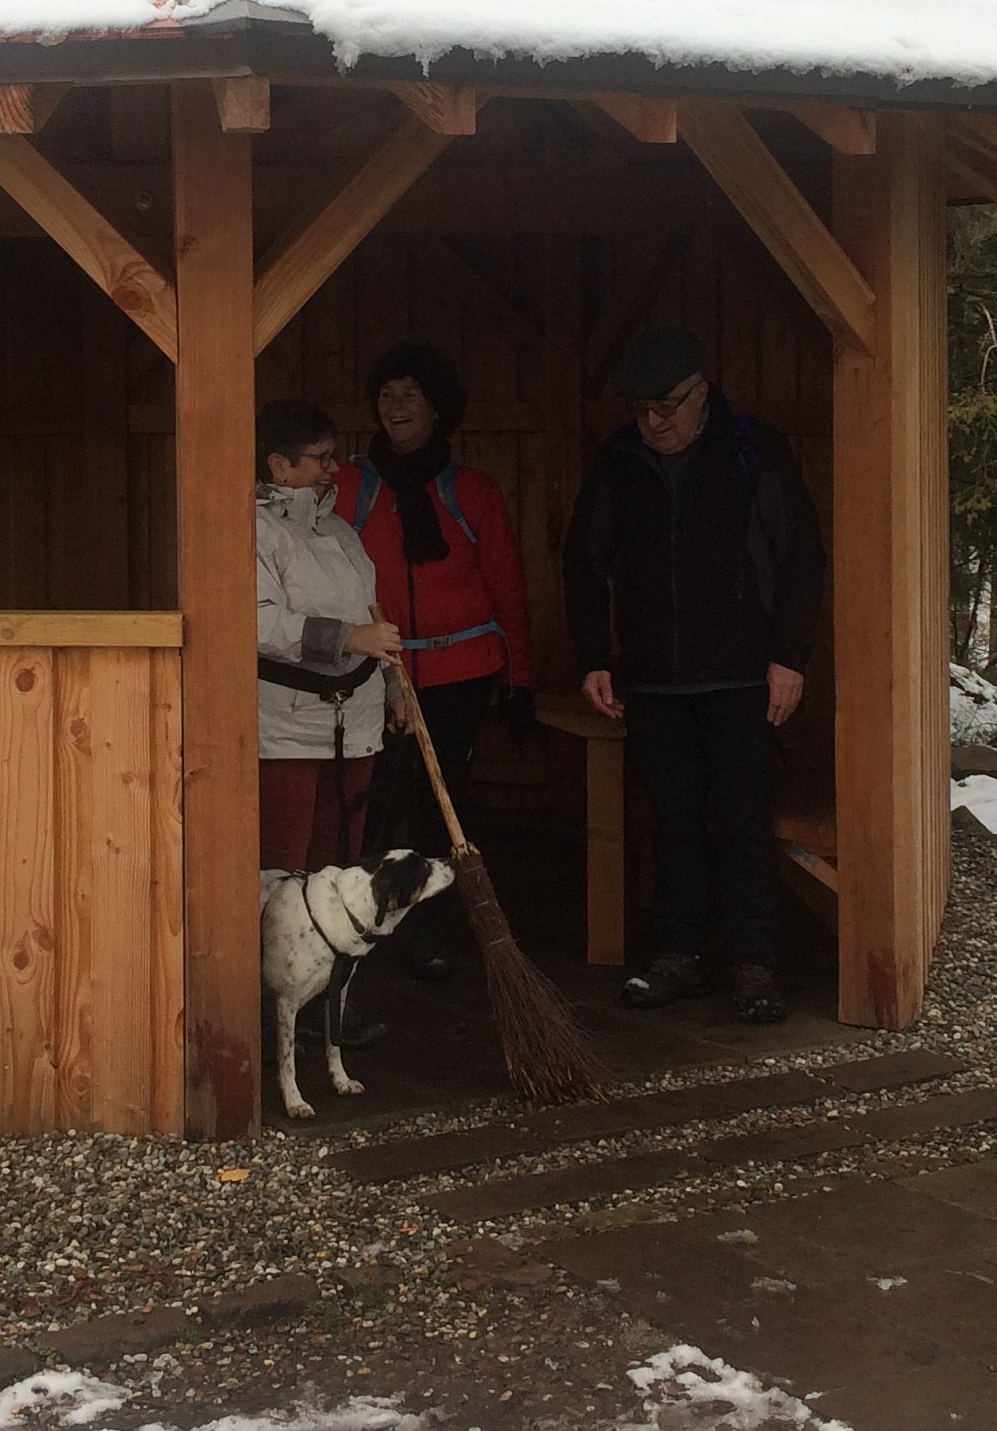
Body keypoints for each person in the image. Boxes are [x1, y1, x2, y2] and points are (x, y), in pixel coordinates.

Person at [563, 327, 825, 1026]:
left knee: (743, 821)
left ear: (701, 392)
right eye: (641, 409)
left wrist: (790, 658)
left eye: (667, 407)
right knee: (670, 823)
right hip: (652, 679)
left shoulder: (753, 450)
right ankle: (680, 954)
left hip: (743, 677)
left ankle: (753, 964)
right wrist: (593, 655)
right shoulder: (618, 461)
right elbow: (583, 562)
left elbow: (801, 557)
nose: (654, 422)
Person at [337, 343, 535, 975]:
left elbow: (507, 584)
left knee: (441, 805)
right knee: (372, 803)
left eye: (411, 394)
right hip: (374, 675)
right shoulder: (346, 486)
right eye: (387, 393)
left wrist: (520, 677)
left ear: (438, 408)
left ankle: (426, 929)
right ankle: (356, 924)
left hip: (461, 675)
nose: (395, 407)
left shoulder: (471, 491)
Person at [255, 399, 400, 888]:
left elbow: (369, 614)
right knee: (284, 868)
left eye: (334, 454)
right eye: (321, 456)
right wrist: (348, 638)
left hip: (355, 720)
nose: (334, 467)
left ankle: (331, 965)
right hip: (286, 726)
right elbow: (257, 624)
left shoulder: (340, 531)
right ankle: (278, 965)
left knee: (338, 866)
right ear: (280, 464)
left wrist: (392, 687)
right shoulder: (254, 531)